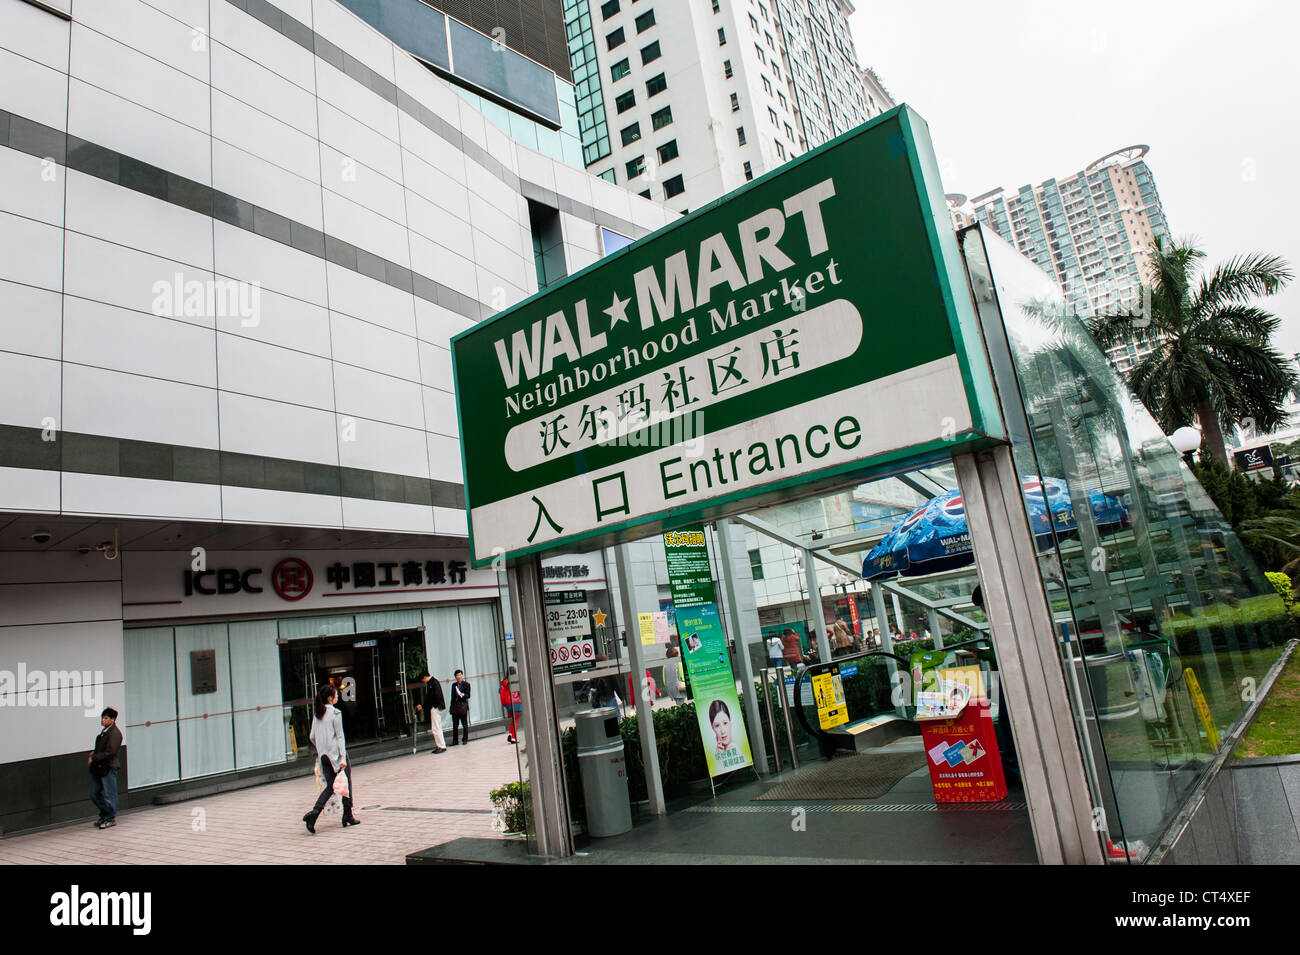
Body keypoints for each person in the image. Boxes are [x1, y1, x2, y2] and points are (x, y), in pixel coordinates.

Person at [303, 686, 359, 833]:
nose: (337, 697)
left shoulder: (317, 715)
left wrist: (321, 749)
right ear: (330, 698)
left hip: (324, 756)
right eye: (335, 695)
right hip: (336, 755)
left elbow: (312, 737)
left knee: (330, 786)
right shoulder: (335, 713)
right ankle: (348, 815)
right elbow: (340, 736)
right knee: (346, 782)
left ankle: (314, 814)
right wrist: (342, 757)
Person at [88, 707, 123, 829]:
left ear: (113, 719)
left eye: (106, 718)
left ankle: (110, 818)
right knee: (94, 794)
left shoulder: (115, 733)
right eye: (102, 718)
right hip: (99, 767)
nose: (103, 720)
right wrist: (93, 755)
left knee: (110, 794)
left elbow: (110, 752)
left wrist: (94, 757)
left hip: (108, 767)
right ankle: (105, 814)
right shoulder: (105, 731)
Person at [415, 670, 447, 754]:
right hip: (435, 707)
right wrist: (424, 705)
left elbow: (436, 696)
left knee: (436, 728)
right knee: (436, 727)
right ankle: (440, 745)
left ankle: (442, 746)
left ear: (425, 677)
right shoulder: (431, 683)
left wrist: (431, 706)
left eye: (423, 680)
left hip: (435, 707)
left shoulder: (433, 683)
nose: (423, 682)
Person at [449, 669, 472, 745]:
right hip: (455, 706)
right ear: (455, 677)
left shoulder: (466, 684)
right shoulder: (454, 685)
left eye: (460, 675)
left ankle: (465, 739)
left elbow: (468, 695)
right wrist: (451, 707)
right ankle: (455, 741)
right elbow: (452, 697)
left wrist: (463, 695)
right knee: (455, 725)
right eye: (457, 675)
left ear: (462, 675)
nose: (459, 676)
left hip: (462, 706)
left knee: (464, 724)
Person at [498, 667, 520, 744]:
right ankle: (513, 737)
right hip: (516, 702)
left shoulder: (504, 681)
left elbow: (499, 691)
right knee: (516, 720)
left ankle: (510, 734)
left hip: (507, 704)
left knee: (513, 720)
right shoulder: (515, 680)